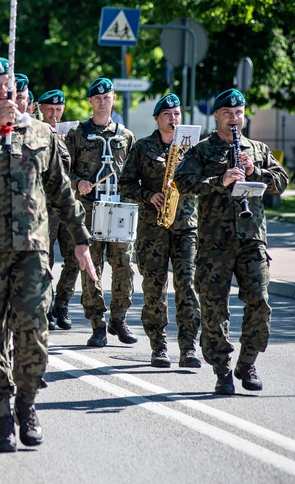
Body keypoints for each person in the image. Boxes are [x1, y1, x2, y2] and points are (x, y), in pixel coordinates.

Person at [0, 57, 96, 452]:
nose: (3, 91)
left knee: (33, 333)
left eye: (8, 85)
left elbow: (60, 189)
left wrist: (81, 240)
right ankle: (1, 415)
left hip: (31, 251)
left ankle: (27, 404)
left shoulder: (41, 133)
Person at [174, 88, 288, 395]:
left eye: (238, 113)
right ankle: (222, 369)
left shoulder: (256, 149)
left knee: (261, 304)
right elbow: (181, 181)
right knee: (214, 309)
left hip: (252, 239)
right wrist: (217, 181)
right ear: (216, 116)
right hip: (215, 243)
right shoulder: (201, 151)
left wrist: (255, 171)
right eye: (228, 114)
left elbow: (281, 181)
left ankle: (247, 361)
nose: (234, 119)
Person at [118, 94, 202, 368]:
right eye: (167, 114)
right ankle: (159, 346)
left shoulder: (192, 148)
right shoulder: (143, 147)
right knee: (154, 289)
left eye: (177, 114)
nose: (173, 119)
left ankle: (188, 347)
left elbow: (203, 181)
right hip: (153, 229)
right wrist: (148, 195)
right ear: (157, 118)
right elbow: (126, 182)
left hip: (185, 226)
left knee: (187, 286)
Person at [65, 78, 138, 347]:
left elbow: (132, 174)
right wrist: (77, 182)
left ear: (114, 99)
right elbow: (63, 169)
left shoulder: (126, 136)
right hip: (88, 209)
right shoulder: (77, 134)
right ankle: (97, 324)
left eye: (106, 97)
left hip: (118, 209)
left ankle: (118, 319)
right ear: (90, 102)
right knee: (90, 268)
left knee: (124, 267)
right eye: (97, 98)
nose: (102, 101)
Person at [38, 89, 77, 331]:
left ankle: (61, 303)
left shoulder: (74, 135)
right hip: (45, 206)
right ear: (41, 109)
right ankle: (46, 306)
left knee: (73, 257)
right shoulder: (35, 132)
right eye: (50, 110)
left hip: (68, 203)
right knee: (46, 260)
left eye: (58, 110)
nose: (54, 114)